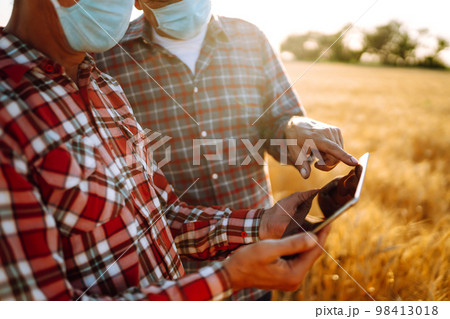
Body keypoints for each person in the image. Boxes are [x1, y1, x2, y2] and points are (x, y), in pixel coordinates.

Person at [0, 0, 330, 301]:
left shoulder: (101, 85)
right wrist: (227, 277)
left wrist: (263, 223)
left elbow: (158, 216)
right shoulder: (18, 110)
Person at [94, 0, 358, 300]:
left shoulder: (250, 38)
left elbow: (279, 121)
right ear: (138, 2)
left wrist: (294, 128)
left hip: (261, 256)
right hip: (178, 282)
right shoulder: (108, 55)